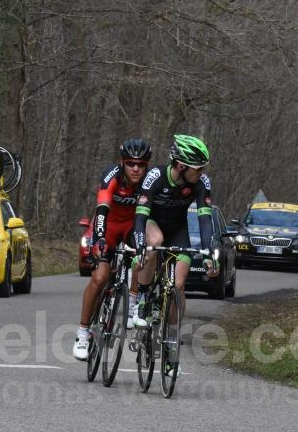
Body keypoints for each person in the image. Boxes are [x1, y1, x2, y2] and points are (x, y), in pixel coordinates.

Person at [131, 134, 219, 376]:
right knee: (154, 243)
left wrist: (211, 252)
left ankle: (171, 346)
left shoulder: (201, 183)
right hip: (152, 223)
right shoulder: (155, 177)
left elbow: (204, 219)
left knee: (178, 285)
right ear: (181, 166)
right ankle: (143, 300)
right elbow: (139, 216)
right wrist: (140, 245)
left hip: (178, 231)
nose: (202, 173)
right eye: (198, 168)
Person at [73, 139, 152, 361]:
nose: (136, 168)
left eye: (140, 164)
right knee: (99, 279)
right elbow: (101, 209)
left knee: (143, 255)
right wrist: (98, 239)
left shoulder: (149, 180)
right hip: (108, 225)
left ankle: (133, 303)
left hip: (133, 226)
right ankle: (82, 333)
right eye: (130, 163)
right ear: (122, 163)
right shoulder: (112, 175)